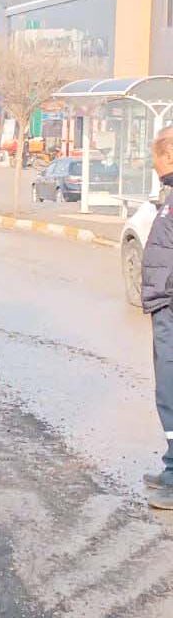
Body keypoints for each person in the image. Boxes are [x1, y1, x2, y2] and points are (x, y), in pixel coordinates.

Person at [142, 126, 173, 510]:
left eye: (156, 160)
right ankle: (170, 467)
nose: (154, 168)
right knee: (166, 391)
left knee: (171, 390)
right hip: (164, 306)